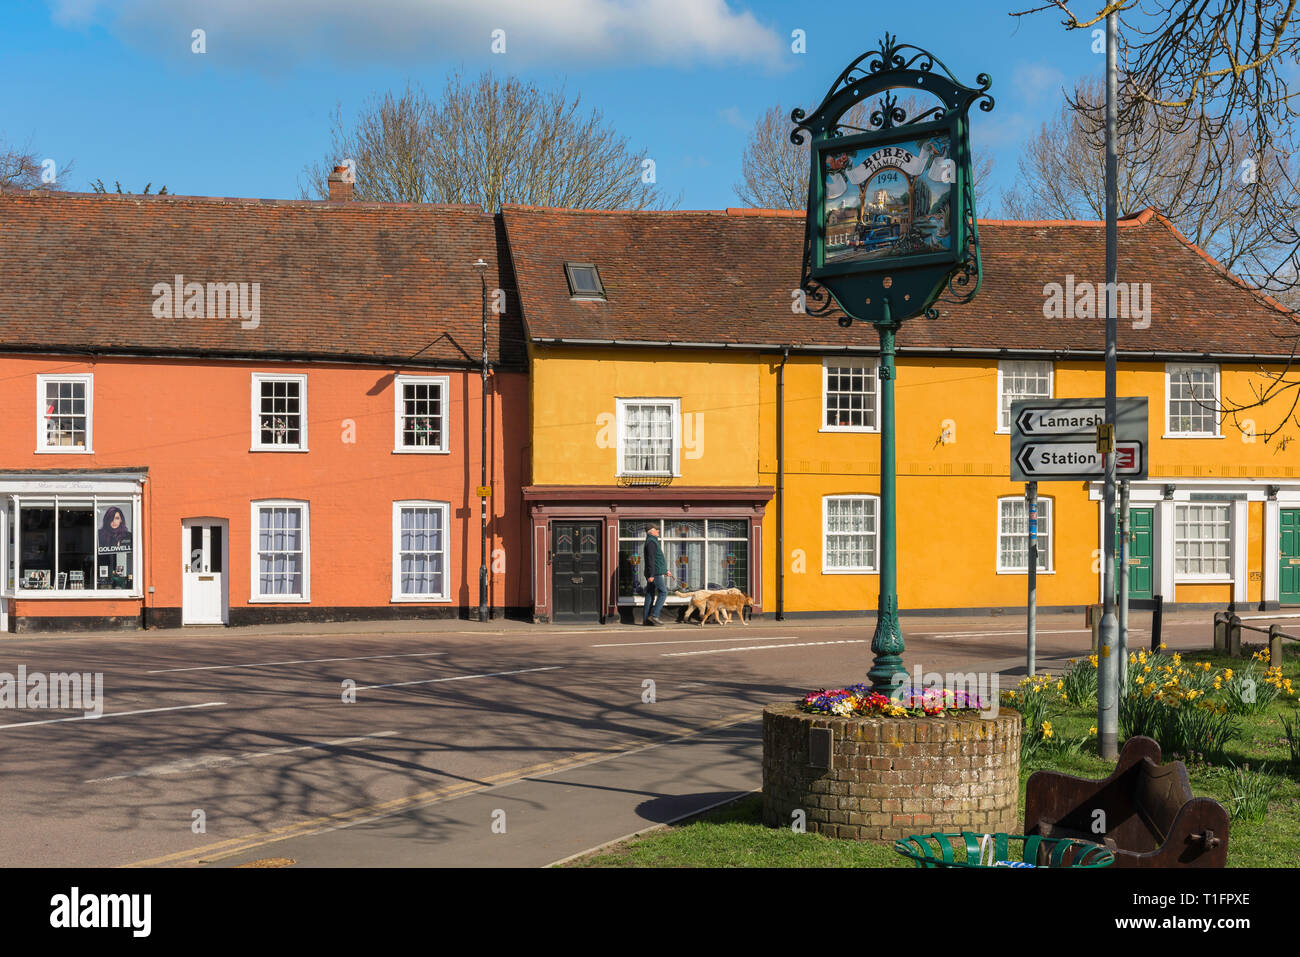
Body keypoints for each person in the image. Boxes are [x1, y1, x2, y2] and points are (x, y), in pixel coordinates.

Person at [642, 525, 668, 626]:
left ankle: (646, 620)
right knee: (663, 592)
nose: (658, 531)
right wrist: (652, 574)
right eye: (656, 530)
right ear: (651, 531)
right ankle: (654, 615)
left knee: (649, 595)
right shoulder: (651, 542)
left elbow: (657, 559)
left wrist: (665, 570)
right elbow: (651, 560)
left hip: (654, 572)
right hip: (655, 573)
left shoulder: (652, 541)